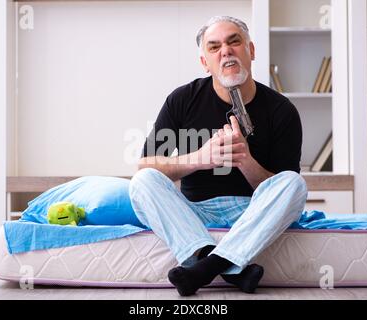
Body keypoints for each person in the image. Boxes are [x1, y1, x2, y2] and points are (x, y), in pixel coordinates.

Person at [129, 16, 307, 296]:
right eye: (214, 47)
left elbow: (280, 186)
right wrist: (200, 158)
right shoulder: (182, 99)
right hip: (194, 211)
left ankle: (204, 267)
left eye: (234, 41)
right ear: (205, 63)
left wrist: (245, 160)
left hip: (252, 211)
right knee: (143, 181)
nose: (225, 51)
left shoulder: (282, 110)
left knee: (295, 184)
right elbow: (146, 163)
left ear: (251, 51)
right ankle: (228, 267)